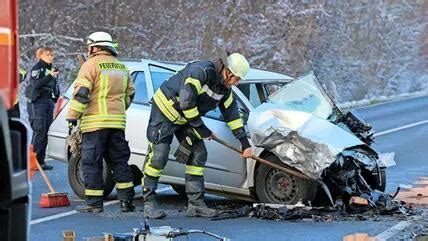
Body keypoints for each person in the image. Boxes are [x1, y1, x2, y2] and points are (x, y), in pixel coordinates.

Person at [142, 52, 253, 219]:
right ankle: (149, 202)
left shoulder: (225, 89)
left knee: (198, 153)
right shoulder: (200, 71)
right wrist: (202, 129)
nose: (236, 83)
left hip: (186, 118)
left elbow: (232, 115)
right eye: (236, 78)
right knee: (159, 156)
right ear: (227, 71)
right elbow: (187, 103)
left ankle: (196, 205)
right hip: (165, 113)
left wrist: (244, 143)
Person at [66, 31, 136, 213]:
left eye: (90, 46)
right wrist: (118, 110)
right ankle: (126, 202)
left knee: (92, 162)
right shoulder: (121, 66)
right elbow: (130, 94)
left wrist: (72, 116)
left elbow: (82, 94)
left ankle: (94, 204)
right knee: (120, 161)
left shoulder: (90, 65)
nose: (88, 50)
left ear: (96, 47)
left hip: (95, 124)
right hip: (117, 124)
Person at [25, 47, 60, 170]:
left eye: (52, 55)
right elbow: (35, 84)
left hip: (48, 102)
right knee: (39, 131)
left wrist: (55, 97)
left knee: (46, 132)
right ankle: (31, 162)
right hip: (37, 102)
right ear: (40, 56)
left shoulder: (51, 69)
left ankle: (40, 162)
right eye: (48, 54)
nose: (51, 57)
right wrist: (50, 76)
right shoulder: (38, 68)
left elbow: (54, 85)